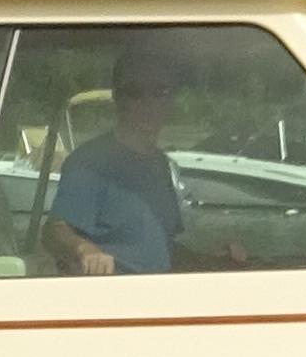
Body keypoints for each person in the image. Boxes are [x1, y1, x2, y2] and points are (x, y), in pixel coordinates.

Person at [44, 52, 198, 274]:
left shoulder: (161, 165)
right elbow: (53, 232)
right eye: (135, 92)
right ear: (117, 99)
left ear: (170, 99)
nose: (148, 102)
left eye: (159, 92)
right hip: (111, 298)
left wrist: (212, 259)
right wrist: (85, 249)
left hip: (161, 296)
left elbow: (162, 248)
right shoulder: (90, 163)